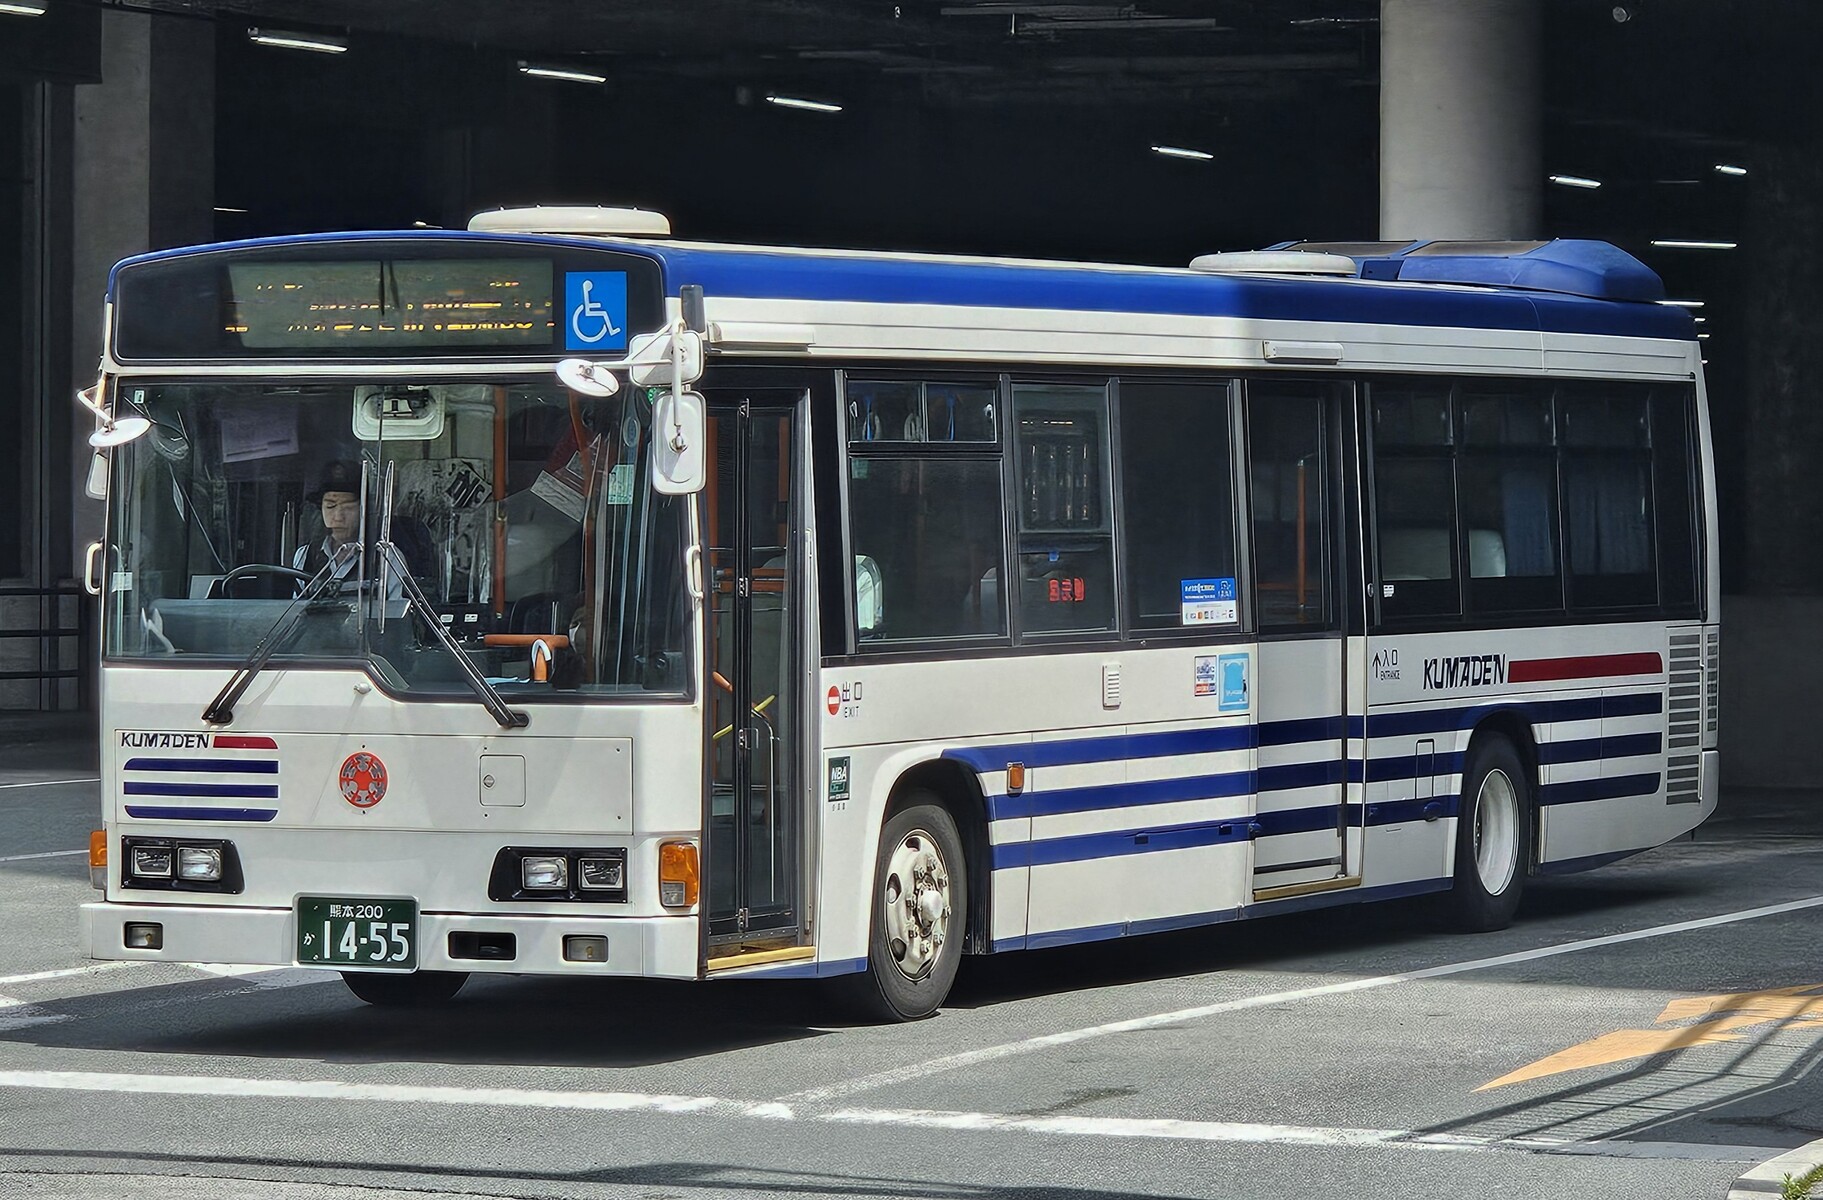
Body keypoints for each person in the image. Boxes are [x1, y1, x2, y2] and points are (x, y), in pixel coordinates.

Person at [293, 459, 405, 599]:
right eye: (330, 506)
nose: (338, 517)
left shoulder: (386, 557)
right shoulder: (305, 556)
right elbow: (295, 611)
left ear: (363, 510)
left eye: (348, 507)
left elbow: (397, 613)